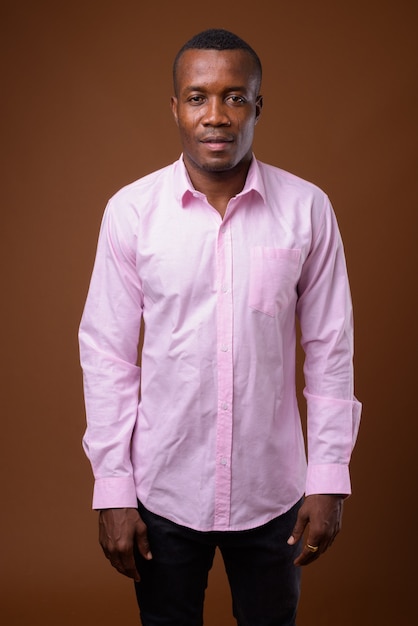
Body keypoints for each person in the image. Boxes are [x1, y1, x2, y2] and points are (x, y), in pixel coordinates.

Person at [79, 28, 361, 626]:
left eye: (235, 97)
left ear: (258, 106)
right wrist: (113, 488)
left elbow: (331, 348)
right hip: (162, 490)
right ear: (176, 108)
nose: (216, 115)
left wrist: (329, 479)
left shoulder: (308, 209)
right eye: (198, 97)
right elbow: (106, 354)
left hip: (273, 493)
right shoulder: (131, 212)